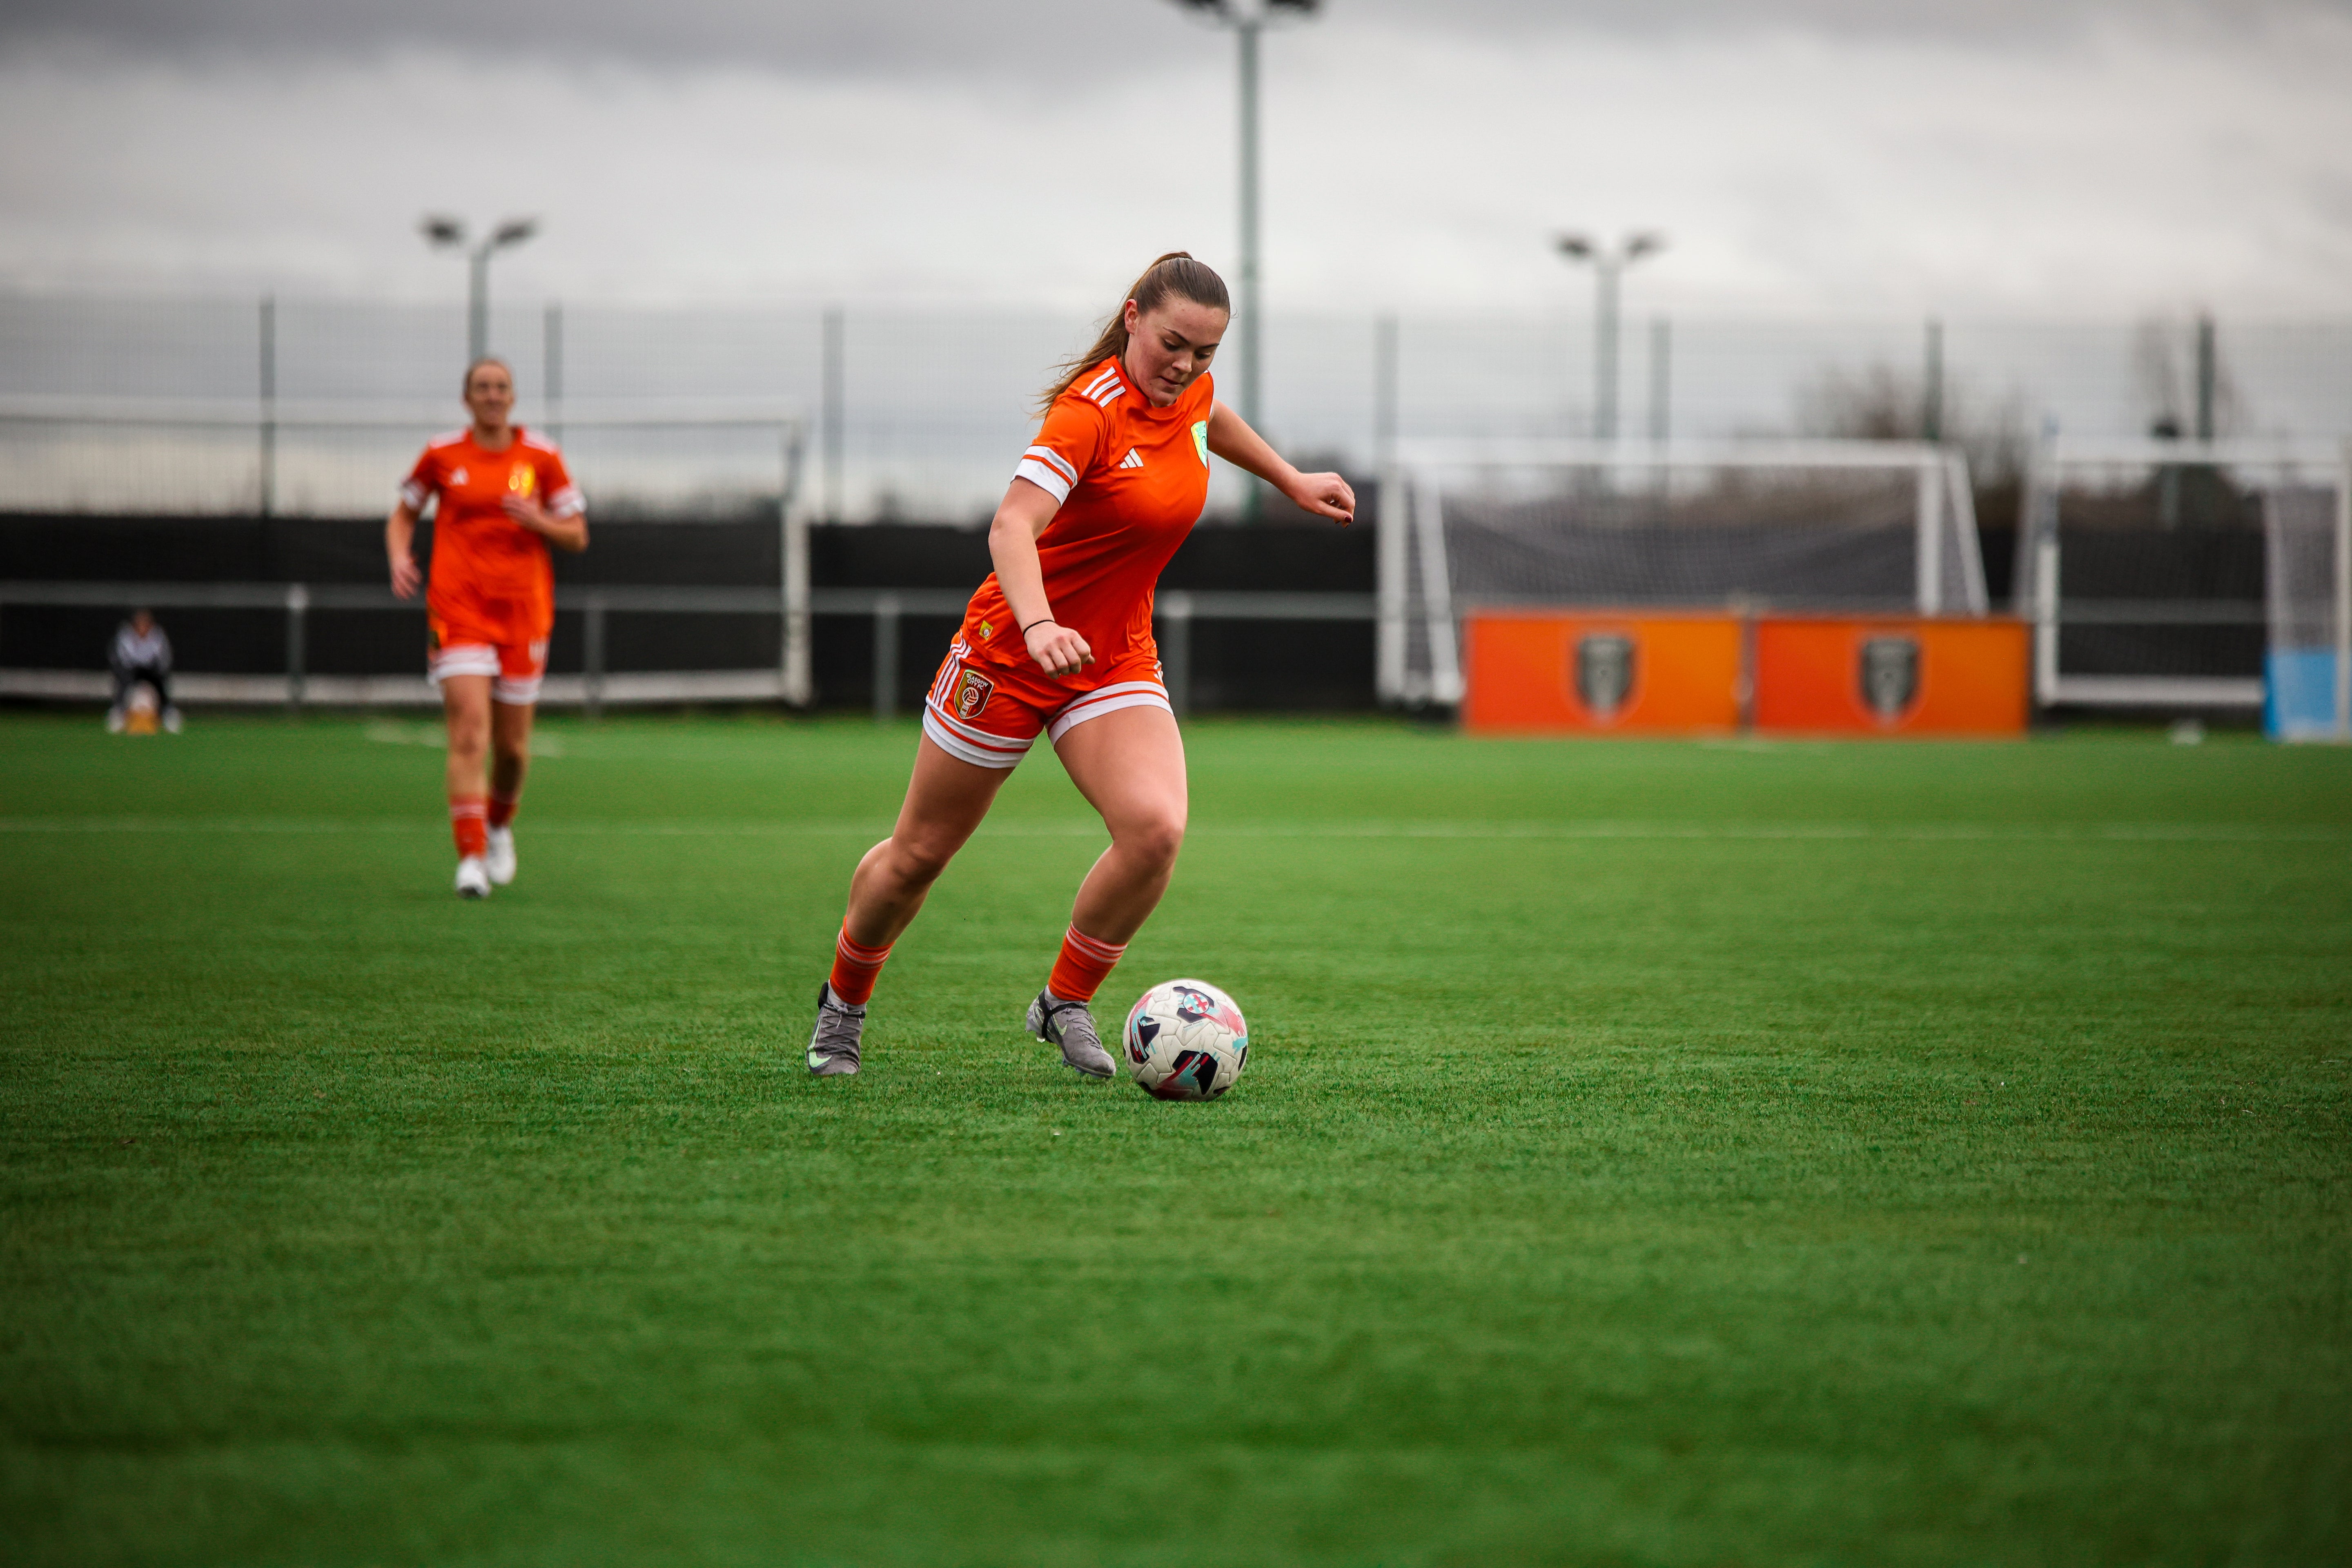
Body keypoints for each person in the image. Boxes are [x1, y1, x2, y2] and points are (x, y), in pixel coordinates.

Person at [806, 252, 1354, 1077]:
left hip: (1111, 657)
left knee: (1155, 832)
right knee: (919, 853)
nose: (1186, 365)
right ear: (1133, 317)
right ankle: (843, 1006)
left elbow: (1214, 420)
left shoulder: (1191, 392)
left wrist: (1289, 478)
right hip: (1009, 655)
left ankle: (1063, 1001)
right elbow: (1011, 528)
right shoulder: (1087, 414)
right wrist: (1036, 626)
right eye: (1174, 343)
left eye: (1205, 352)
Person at [385, 358, 587, 898]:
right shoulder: (442, 454)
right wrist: (400, 555)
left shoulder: (542, 456)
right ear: (466, 398)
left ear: (513, 397)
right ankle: (471, 857)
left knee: (514, 749)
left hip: (524, 614)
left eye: (501, 387)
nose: (492, 395)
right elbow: (403, 514)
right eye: (482, 387)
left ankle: (499, 826)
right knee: (470, 731)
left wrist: (538, 520)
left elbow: (577, 534)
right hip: (458, 610)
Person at [107, 608, 180, 733]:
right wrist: (125, 672)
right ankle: (119, 712)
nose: (143, 627)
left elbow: (164, 659)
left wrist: (159, 671)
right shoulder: (125, 636)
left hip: (151, 671)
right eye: (139, 624)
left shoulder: (157, 635)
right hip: (131, 671)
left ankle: (167, 712)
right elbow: (119, 659)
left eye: (146, 624)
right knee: (124, 683)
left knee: (161, 683)